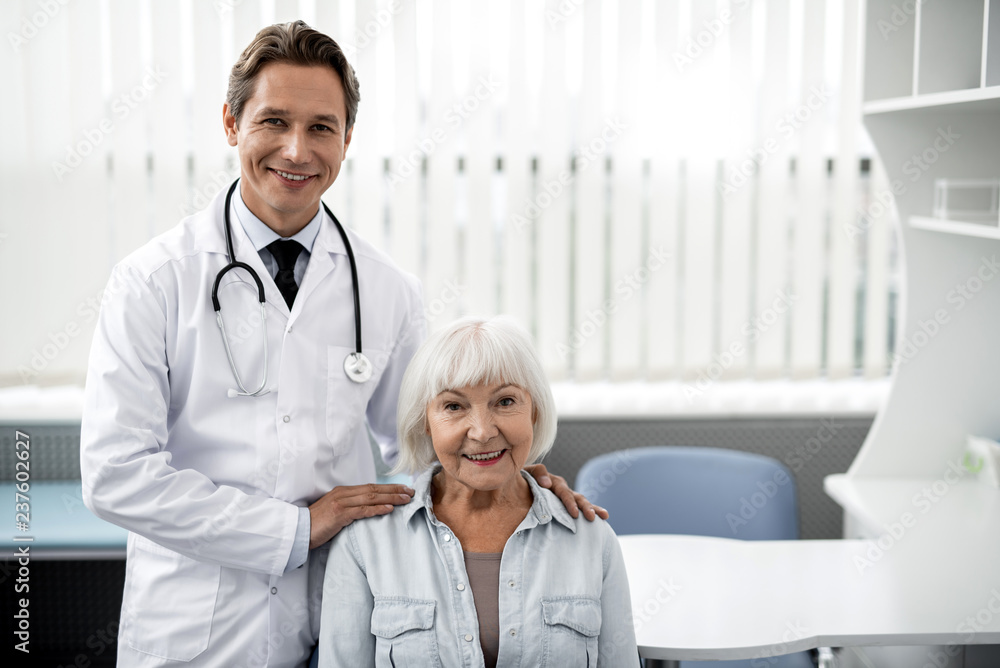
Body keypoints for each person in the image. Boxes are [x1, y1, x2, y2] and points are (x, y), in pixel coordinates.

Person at [80, 21, 603, 667]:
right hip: (196, 627)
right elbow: (115, 475)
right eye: (274, 121)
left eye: (321, 127)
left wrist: (516, 484)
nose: (297, 150)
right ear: (230, 123)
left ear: (347, 139)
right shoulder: (152, 282)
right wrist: (294, 530)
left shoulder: (386, 290)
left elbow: (423, 447)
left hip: (344, 612)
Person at [319, 316, 638, 667]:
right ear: (425, 421)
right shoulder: (364, 542)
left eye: (504, 401)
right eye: (454, 406)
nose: (483, 431)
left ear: (534, 411)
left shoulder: (592, 539)